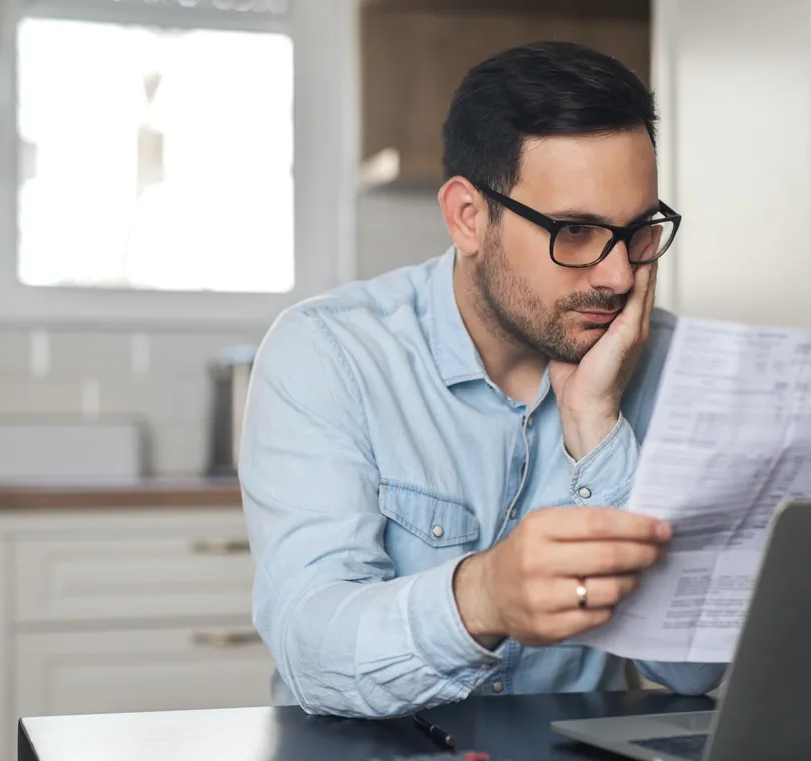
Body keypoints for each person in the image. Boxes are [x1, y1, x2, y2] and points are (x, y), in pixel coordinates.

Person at [239, 41, 726, 718]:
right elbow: (311, 648)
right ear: (469, 217)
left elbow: (692, 668)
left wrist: (599, 431)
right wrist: (484, 597)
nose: (618, 276)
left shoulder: (661, 357)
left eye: (639, 231)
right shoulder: (330, 353)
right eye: (576, 230)